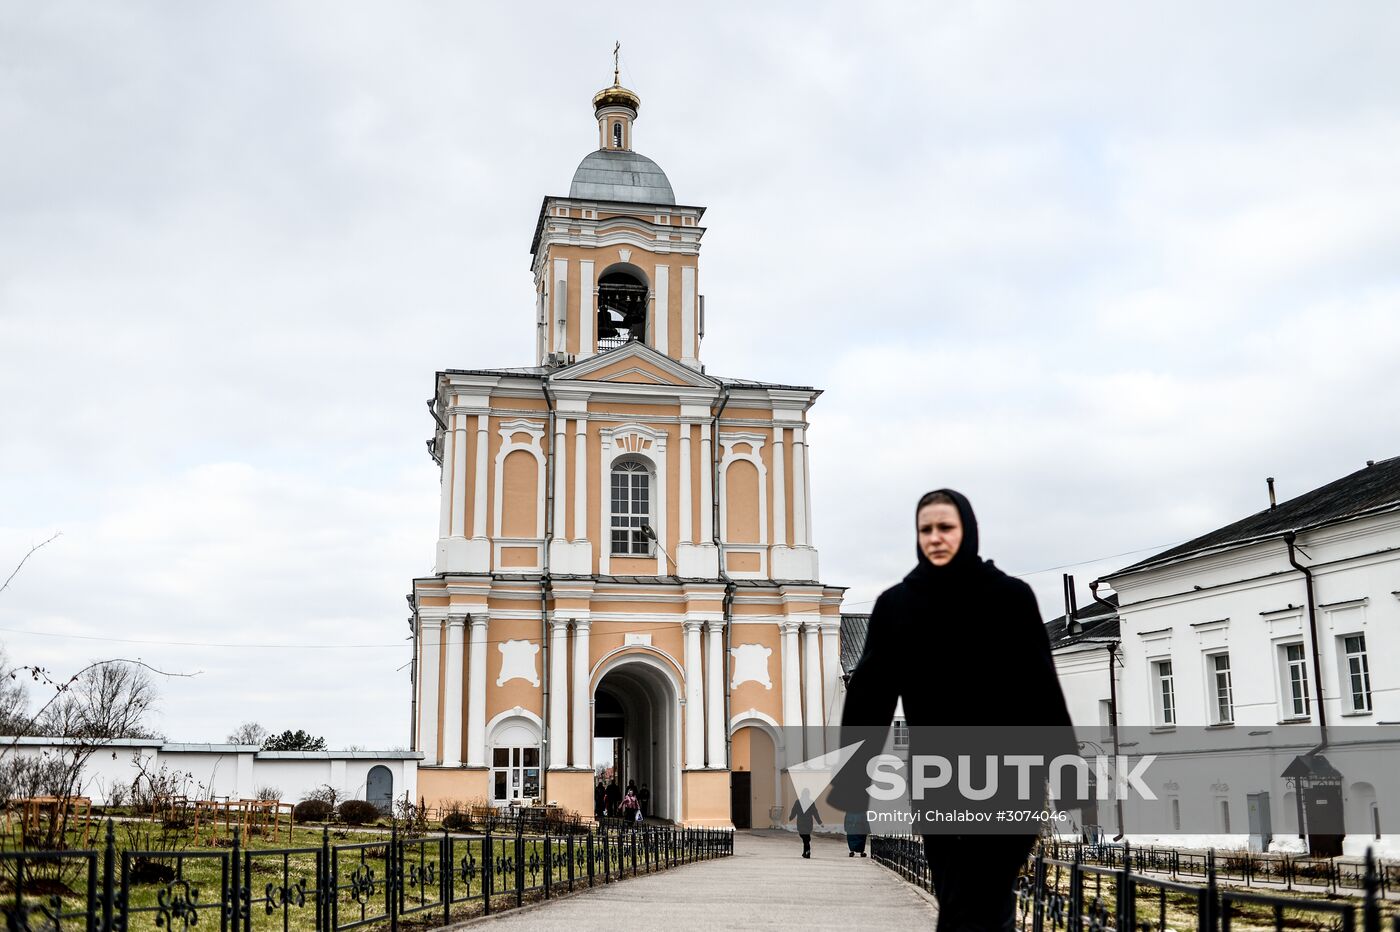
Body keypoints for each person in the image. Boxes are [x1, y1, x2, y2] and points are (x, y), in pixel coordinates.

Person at [834, 489, 1074, 932]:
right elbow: (871, 695)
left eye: (945, 527)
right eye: (926, 529)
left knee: (983, 897)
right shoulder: (897, 606)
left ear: (967, 529)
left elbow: (1041, 689)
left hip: (1010, 777)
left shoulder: (1010, 598)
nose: (935, 537)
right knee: (959, 897)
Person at [788, 788, 822, 858]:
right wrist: (819, 822)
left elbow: (794, 810)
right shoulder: (811, 802)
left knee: (804, 837)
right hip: (809, 822)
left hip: (801, 822)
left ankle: (807, 851)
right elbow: (815, 812)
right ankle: (805, 852)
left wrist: (791, 817)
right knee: (806, 837)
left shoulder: (798, 802)